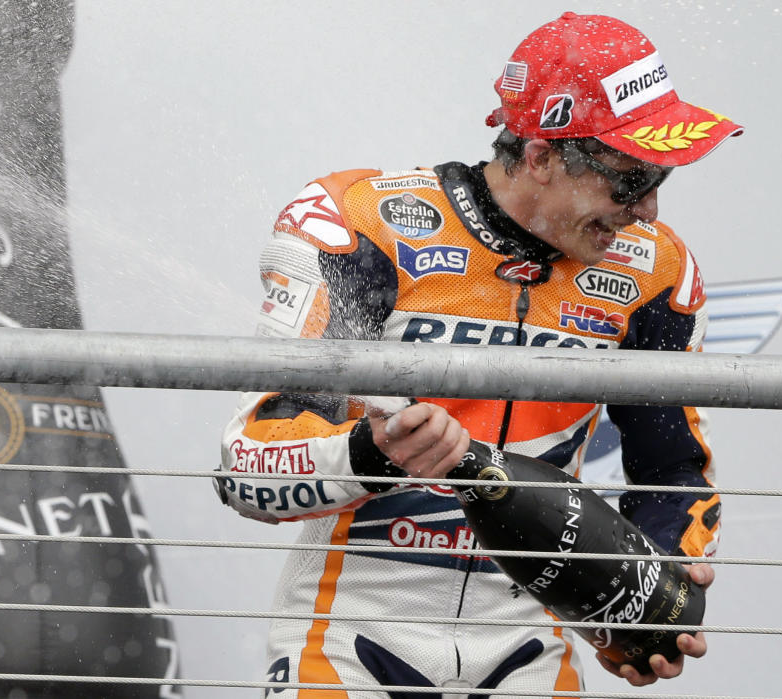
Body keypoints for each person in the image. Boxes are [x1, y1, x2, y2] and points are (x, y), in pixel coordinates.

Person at [215, 12, 741, 696]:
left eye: (659, 181)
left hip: (527, 647)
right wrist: (376, 453)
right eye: (629, 179)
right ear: (541, 155)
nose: (646, 210)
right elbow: (245, 464)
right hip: (349, 637)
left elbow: (673, 472)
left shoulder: (655, 273)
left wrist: (641, 597)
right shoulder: (362, 225)